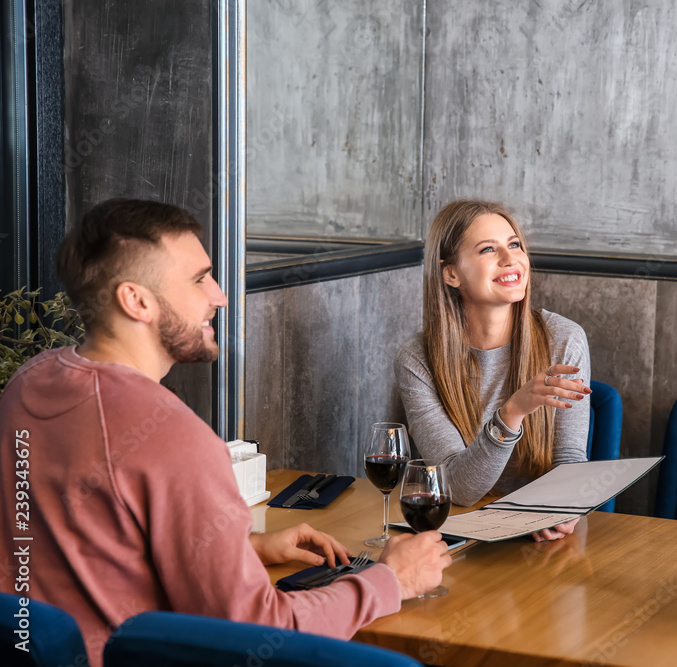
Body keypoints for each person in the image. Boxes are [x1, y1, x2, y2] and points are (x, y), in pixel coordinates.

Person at [0, 198, 451, 667]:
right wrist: (389, 581)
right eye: (199, 279)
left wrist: (246, 550)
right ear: (137, 300)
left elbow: (84, 551)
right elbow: (257, 634)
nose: (219, 295)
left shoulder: (28, 385)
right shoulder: (172, 436)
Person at [395, 199, 591, 540]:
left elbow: (569, 457)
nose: (510, 258)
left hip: (542, 540)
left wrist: (561, 508)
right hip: (459, 534)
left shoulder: (564, 338)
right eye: (488, 249)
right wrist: (513, 411)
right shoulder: (417, 359)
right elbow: (458, 487)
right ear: (451, 273)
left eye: (514, 245)